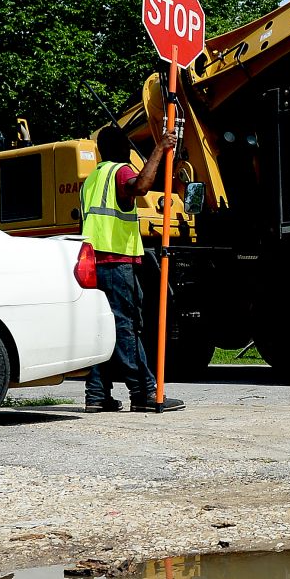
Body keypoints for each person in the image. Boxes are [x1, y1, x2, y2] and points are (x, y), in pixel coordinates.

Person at [82, 118, 185, 413]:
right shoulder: (119, 171)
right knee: (125, 327)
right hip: (116, 262)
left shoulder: (92, 179)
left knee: (103, 328)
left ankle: (97, 395)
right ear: (122, 149)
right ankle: (144, 392)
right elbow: (140, 186)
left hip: (93, 262)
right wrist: (159, 150)